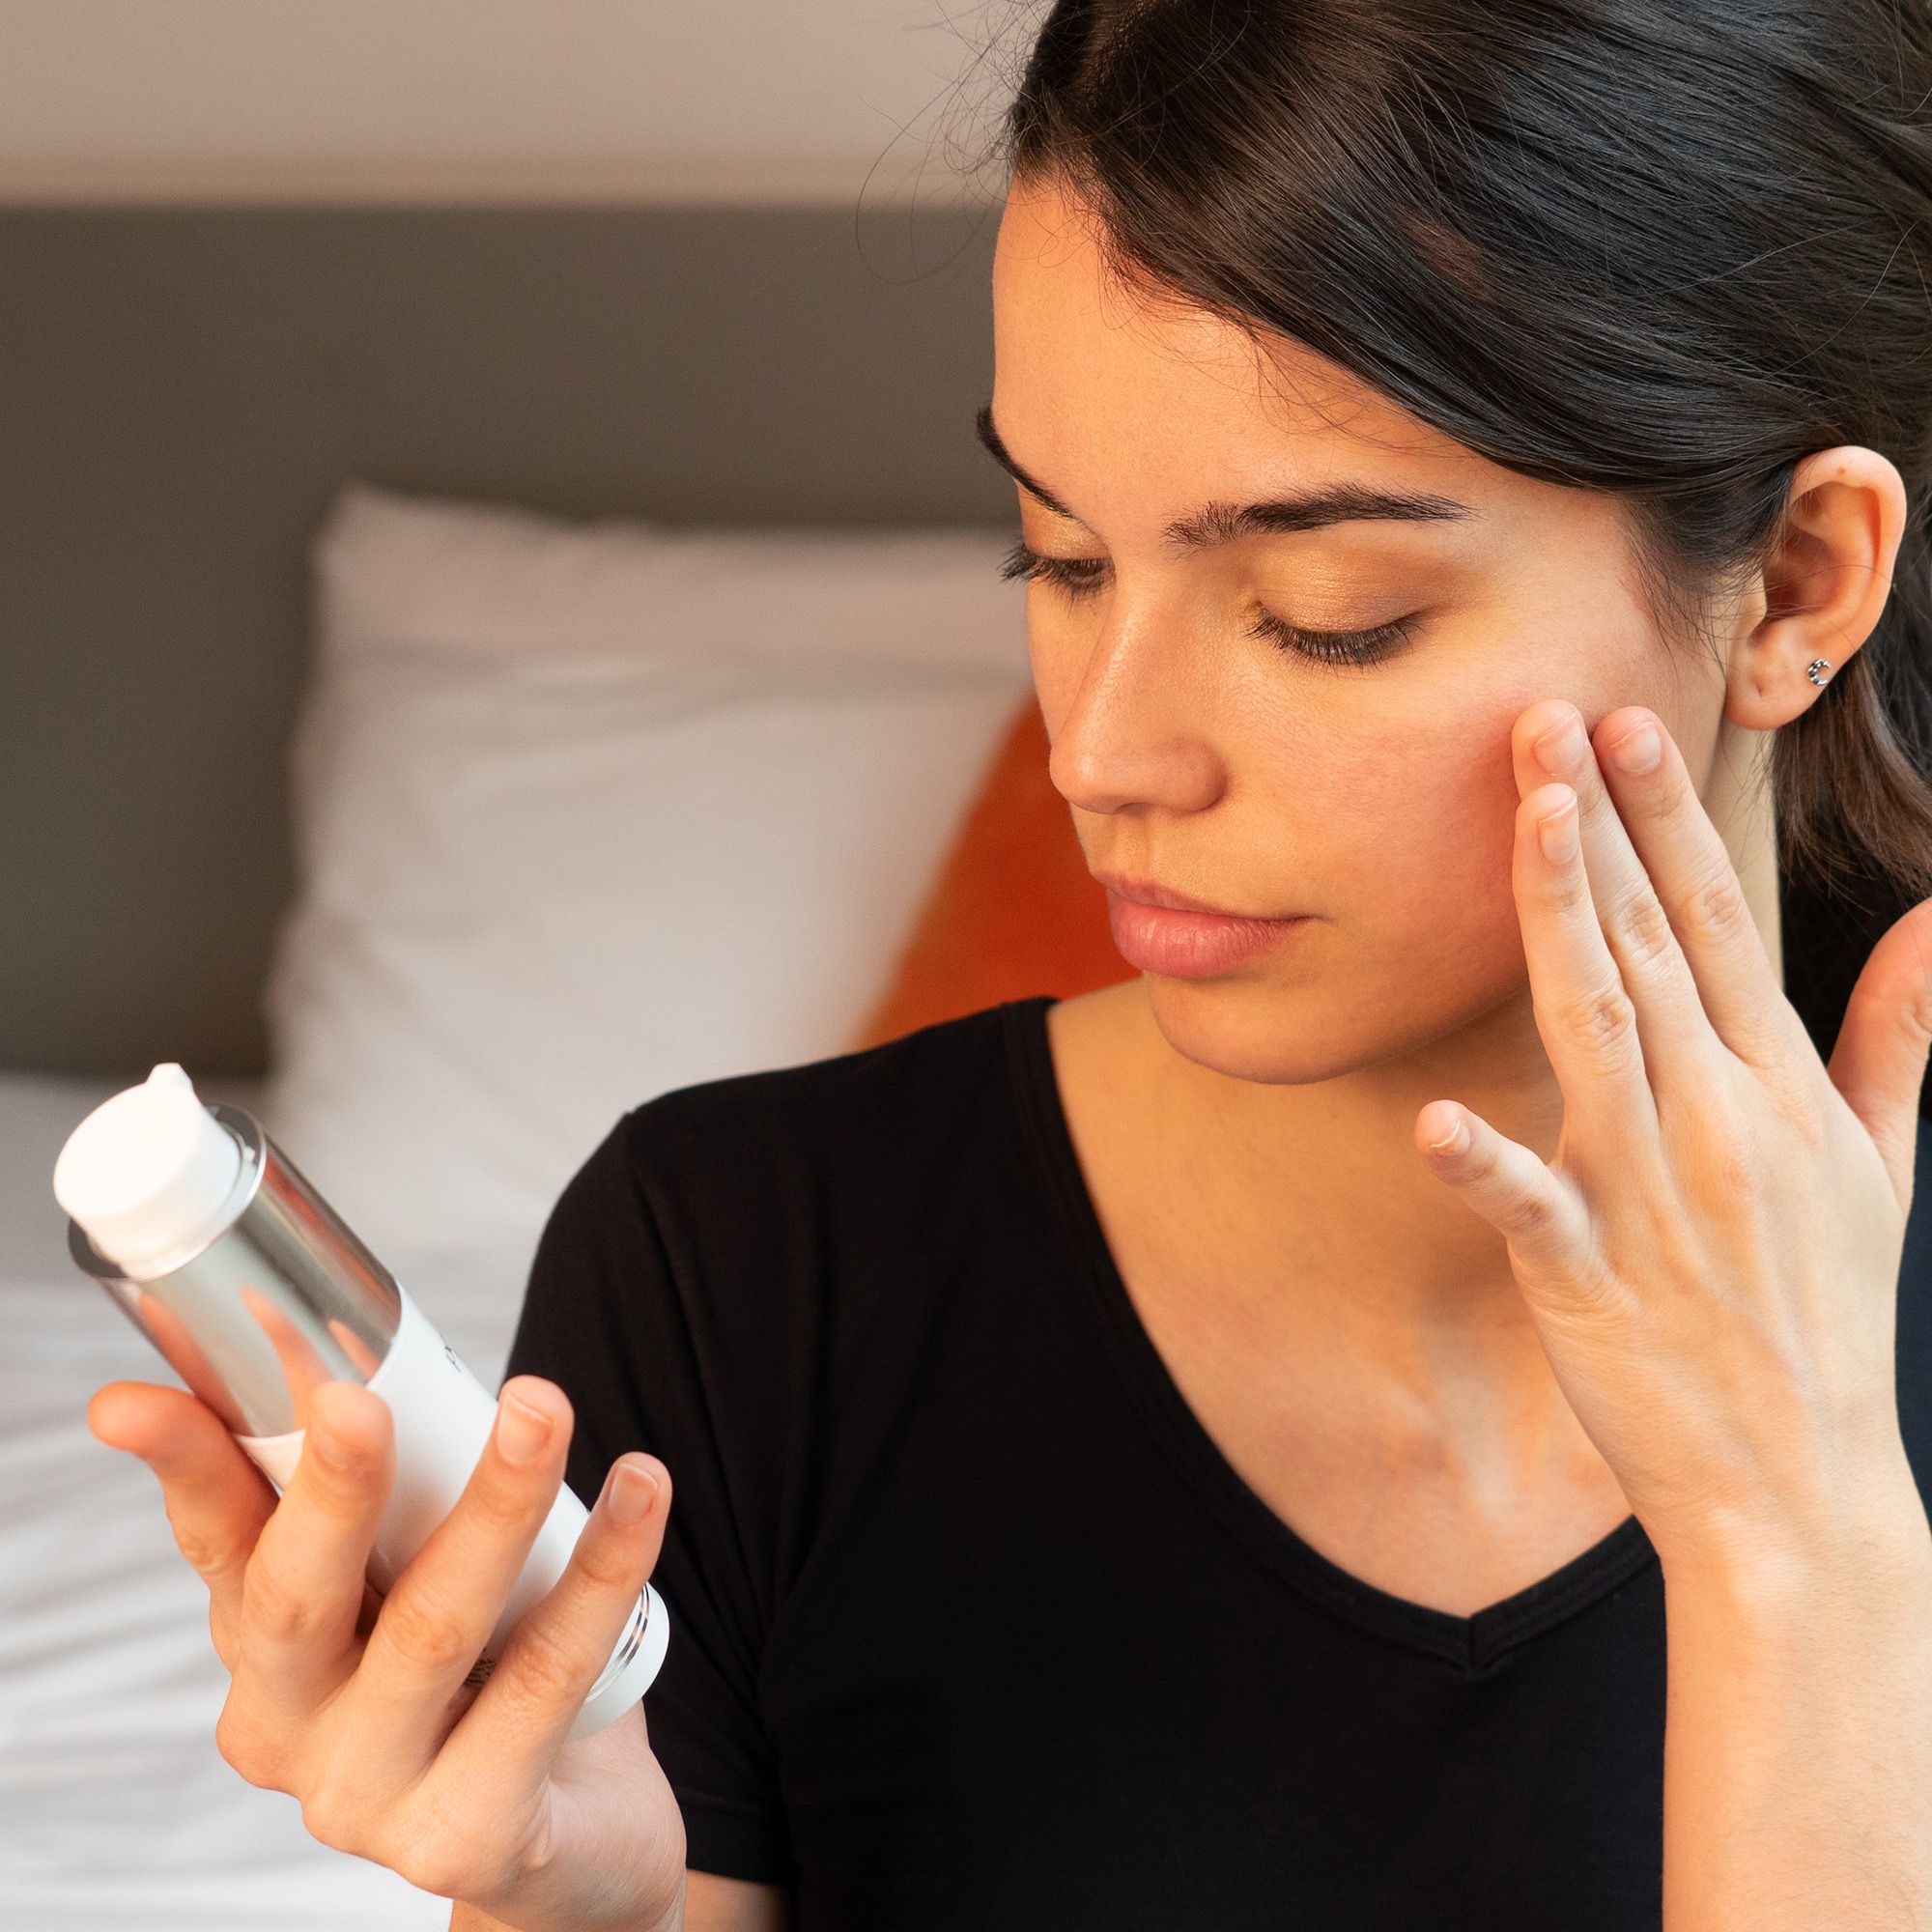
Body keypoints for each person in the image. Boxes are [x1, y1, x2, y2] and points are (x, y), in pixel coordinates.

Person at [87, 3, 1932, 1928]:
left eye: (1329, 617)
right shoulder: (745, 1273)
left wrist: (1791, 1541)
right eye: (1056, 559)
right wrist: (589, 1902)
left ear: (1794, 581)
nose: (1106, 755)